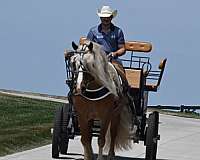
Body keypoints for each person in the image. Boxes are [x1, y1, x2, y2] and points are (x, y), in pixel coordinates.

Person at [87, 5, 126, 75]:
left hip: (113, 60)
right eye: (104, 17)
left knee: (121, 74)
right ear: (100, 18)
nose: (106, 19)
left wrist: (115, 54)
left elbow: (122, 49)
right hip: (96, 60)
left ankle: (124, 85)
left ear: (111, 18)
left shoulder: (118, 31)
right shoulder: (93, 31)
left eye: (108, 17)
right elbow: (87, 46)